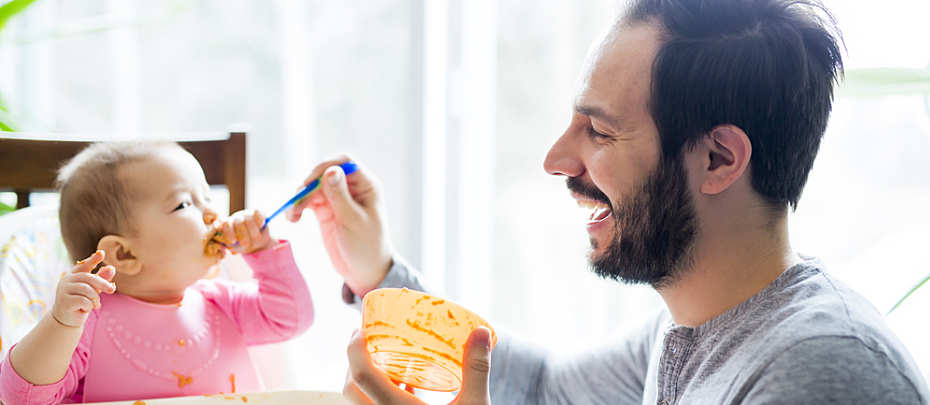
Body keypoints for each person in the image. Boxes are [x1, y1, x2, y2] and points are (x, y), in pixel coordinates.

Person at [289, 0, 930, 403]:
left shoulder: (822, 372)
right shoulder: (690, 324)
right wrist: (379, 274)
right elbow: (543, 389)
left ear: (718, 160)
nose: (556, 161)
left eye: (599, 131)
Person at [0, 142, 315, 405]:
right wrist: (61, 323)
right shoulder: (86, 322)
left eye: (207, 196)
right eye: (183, 204)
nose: (212, 213)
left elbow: (290, 318)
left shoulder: (220, 301)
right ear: (125, 254)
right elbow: (24, 399)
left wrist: (264, 251)